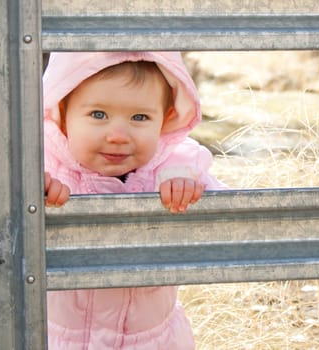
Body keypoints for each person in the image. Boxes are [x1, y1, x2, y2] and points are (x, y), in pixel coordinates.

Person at [42, 51, 226, 349]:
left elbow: (234, 224)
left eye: (140, 117)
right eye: (98, 114)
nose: (117, 135)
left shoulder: (176, 166)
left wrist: (192, 190)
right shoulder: (45, 167)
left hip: (151, 341)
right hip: (59, 339)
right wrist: (39, 199)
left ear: (164, 119)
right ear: (63, 114)